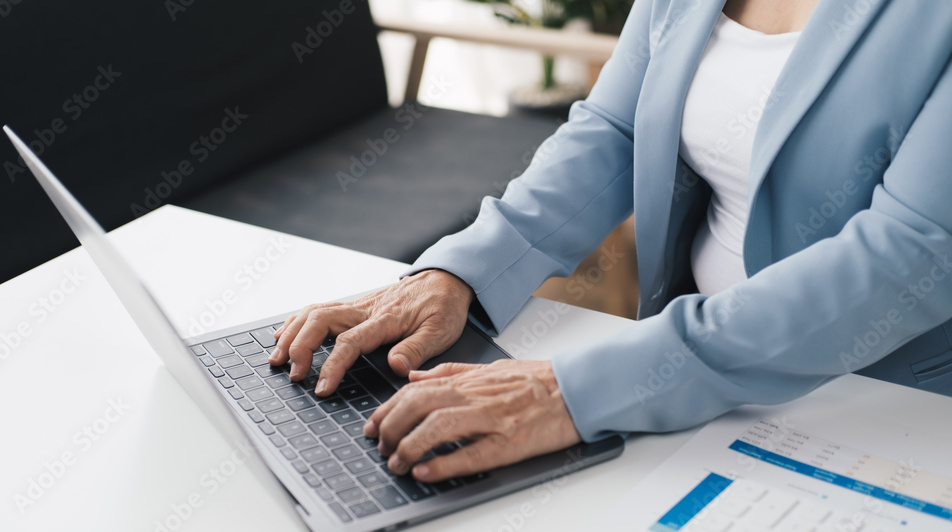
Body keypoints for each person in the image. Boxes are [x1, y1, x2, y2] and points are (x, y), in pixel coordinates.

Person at [268, 0, 952, 483]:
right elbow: (616, 128)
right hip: (686, 382)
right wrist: (461, 275)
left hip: (878, 405)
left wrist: (576, 391)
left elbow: (913, 250)